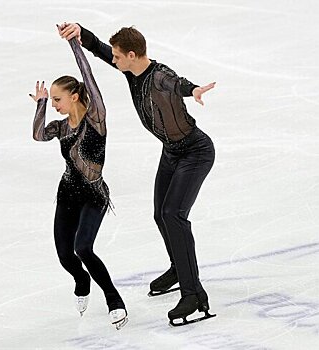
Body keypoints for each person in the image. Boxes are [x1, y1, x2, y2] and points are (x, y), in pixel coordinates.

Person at [58, 23, 216, 326]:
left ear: (132, 55)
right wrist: (82, 34)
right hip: (171, 152)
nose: (114, 61)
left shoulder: (159, 75)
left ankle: (194, 294)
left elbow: (177, 83)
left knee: (174, 214)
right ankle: (178, 268)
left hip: (195, 152)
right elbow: (103, 51)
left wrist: (193, 89)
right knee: (160, 214)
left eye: (118, 57)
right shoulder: (132, 70)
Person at [29, 34, 127, 330]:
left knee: (84, 248)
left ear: (74, 96)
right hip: (68, 193)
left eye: (57, 99)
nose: (55, 104)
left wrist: (75, 43)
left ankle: (114, 299)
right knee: (64, 255)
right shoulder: (60, 127)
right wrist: (42, 104)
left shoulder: (96, 117)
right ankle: (81, 279)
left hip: (94, 195)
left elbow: (88, 74)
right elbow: (37, 135)